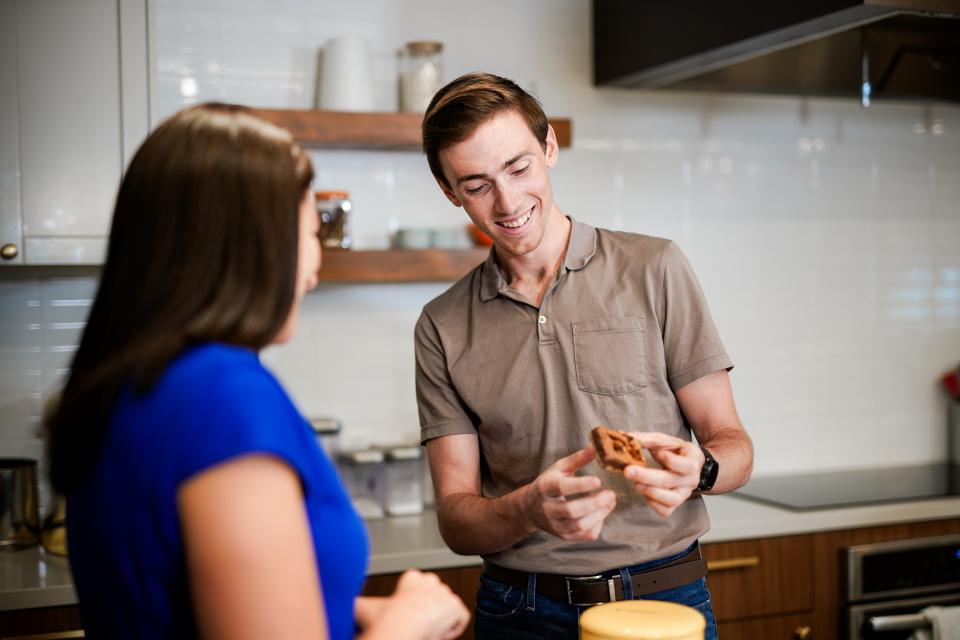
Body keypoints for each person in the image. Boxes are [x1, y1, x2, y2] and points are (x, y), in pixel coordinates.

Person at [45, 103, 470, 640]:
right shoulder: (222, 397)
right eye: (309, 233)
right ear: (254, 245)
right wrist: (412, 620)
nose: (314, 269)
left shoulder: (130, 382)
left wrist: (356, 613)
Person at [414, 72, 754, 640]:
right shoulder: (442, 325)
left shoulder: (655, 268)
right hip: (519, 610)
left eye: (518, 168)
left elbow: (733, 445)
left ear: (549, 147)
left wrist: (703, 469)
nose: (507, 201)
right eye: (476, 185)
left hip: (662, 597)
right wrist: (527, 510)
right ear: (450, 191)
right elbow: (456, 518)